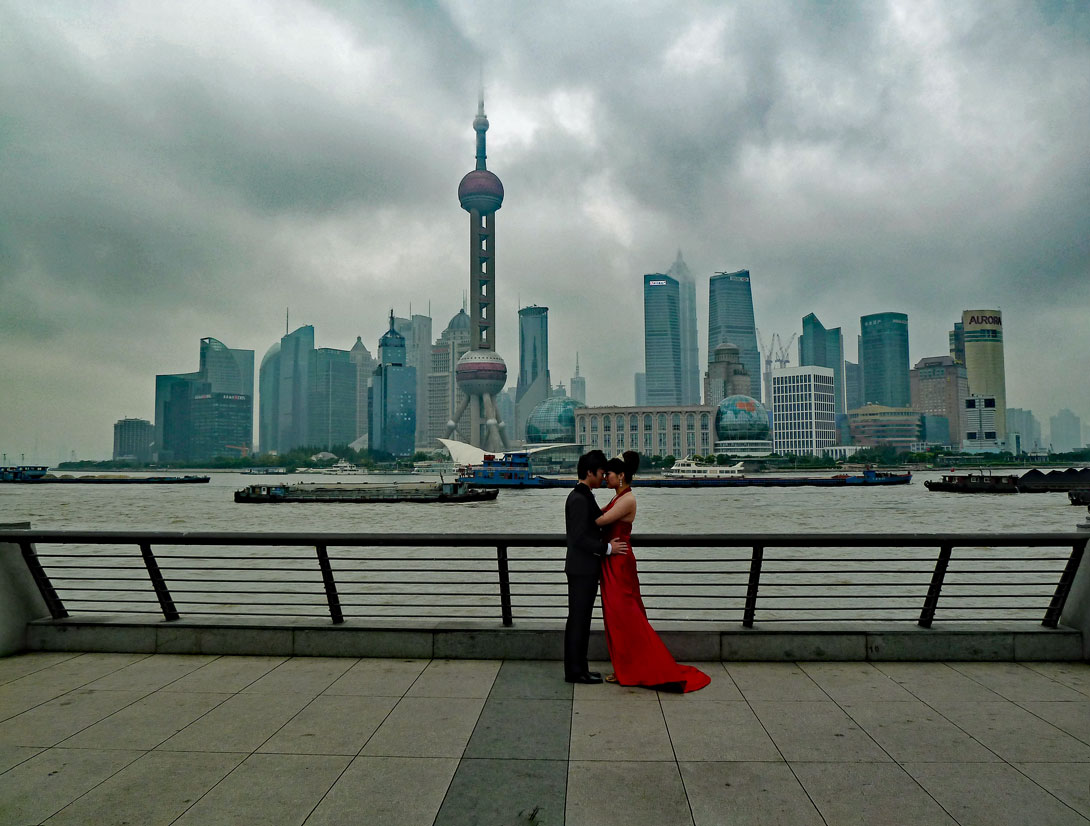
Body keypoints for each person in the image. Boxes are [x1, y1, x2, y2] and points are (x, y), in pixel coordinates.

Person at [595, 451, 711, 692]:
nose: (606, 477)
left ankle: (632, 667)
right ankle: (624, 667)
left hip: (619, 564)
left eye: (609, 474)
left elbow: (599, 521)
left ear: (621, 475)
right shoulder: (618, 497)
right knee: (616, 617)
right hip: (611, 561)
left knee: (625, 616)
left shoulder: (627, 499)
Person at [564, 449, 628, 684]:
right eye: (601, 472)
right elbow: (579, 537)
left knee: (581, 620)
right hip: (582, 568)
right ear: (590, 472)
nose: (603, 476)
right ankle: (575, 671)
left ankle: (580, 668)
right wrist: (608, 548)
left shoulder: (583, 495)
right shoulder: (579, 499)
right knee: (578, 621)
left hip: (583, 567)